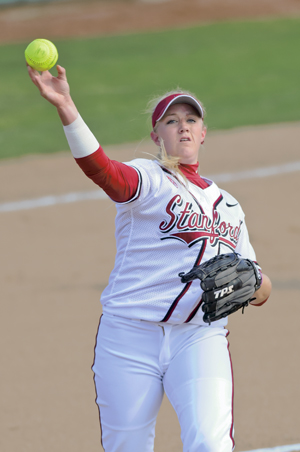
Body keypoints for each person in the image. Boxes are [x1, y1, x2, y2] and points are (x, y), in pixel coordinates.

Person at [27, 64, 272, 452]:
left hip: (198, 336)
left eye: (191, 119)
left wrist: (254, 283)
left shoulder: (230, 206)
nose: (184, 126)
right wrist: (66, 106)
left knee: (210, 443)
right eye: (172, 121)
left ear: (204, 133)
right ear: (157, 135)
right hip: (128, 336)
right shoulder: (149, 180)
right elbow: (102, 170)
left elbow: (261, 287)